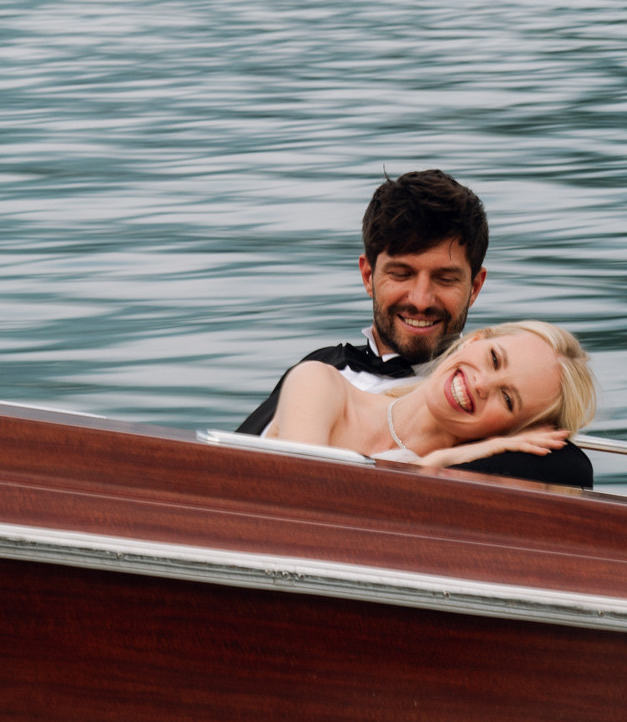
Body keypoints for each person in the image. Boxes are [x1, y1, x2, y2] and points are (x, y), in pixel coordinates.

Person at [236, 167, 593, 488]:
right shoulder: (322, 368)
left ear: (475, 287)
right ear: (368, 276)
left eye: (445, 278)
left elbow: (569, 469)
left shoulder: (478, 419)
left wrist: (444, 461)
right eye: (401, 273)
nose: (421, 299)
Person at [268, 319, 597, 479]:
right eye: (495, 359)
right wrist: (430, 466)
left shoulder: (463, 482)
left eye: (508, 400)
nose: (483, 384)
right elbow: (303, 502)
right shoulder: (320, 383)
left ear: (509, 432)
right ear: (474, 340)